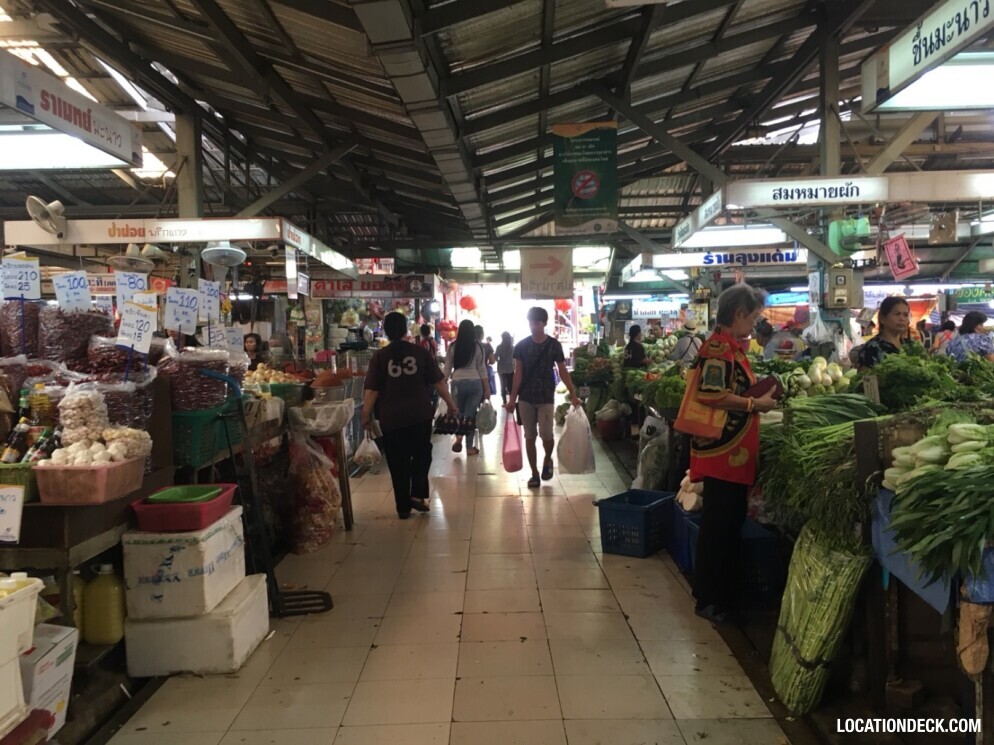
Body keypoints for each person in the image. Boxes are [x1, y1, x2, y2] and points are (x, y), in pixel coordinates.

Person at [687, 284, 778, 626]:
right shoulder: (718, 349)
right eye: (753, 317)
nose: (754, 324)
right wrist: (756, 403)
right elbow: (712, 394)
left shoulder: (731, 348)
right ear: (738, 314)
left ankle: (715, 596)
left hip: (732, 451)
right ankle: (711, 599)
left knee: (725, 524)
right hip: (721, 453)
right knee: (719, 527)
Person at [363, 312, 457, 519]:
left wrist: (365, 415)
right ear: (406, 329)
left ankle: (403, 507)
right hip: (419, 414)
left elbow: (372, 391)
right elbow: (438, 382)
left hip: (391, 417)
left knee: (397, 461)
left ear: (386, 331)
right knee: (422, 454)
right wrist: (451, 404)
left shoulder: (380, 356)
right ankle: (417, 493)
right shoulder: (419, 353)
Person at [505, 307, 582, 489]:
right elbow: (518, 374)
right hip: (525, 398)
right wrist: (512, 399)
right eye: (531, 322)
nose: (534, 326)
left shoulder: (554, 345)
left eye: (537, 322)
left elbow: (562, 371)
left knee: (546, 435)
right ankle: (534, 474)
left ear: (544, 323)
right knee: (529, 436)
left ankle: (547, 458)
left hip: (546, 396)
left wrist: (573, 394)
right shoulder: (521, 346)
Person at [445, 320, 491, 455]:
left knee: (457, 412)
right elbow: (482, 369)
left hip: (457, 383)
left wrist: (442, 383)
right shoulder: (478, 347)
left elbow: (447, 368)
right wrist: (487, 388)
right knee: (470, 415)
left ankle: (459, 437)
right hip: (475, 383)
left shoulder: (453, 346)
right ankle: (469, 447)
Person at [857, 297, 914, 370]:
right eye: (897, 314)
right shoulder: (872, 349)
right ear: (882, 318)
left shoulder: (910, 346)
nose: (902, 319)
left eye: (905, 315)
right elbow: (865, 379)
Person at [494, 332, 515, 405]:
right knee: (510, 386)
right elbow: (515, 359)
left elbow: (496, 358)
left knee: (502, 385)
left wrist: (499, 360)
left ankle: (504, 402)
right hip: (510, 369)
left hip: (501, 369)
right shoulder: (512, 347)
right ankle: (511, 401)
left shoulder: (499, 347)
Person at [477, 325, 496, 399]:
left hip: (472, 375)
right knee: (484, 396)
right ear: (482, 334)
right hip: (484, 374)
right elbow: (492, 361)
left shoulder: (470, 346)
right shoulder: (487, 346)